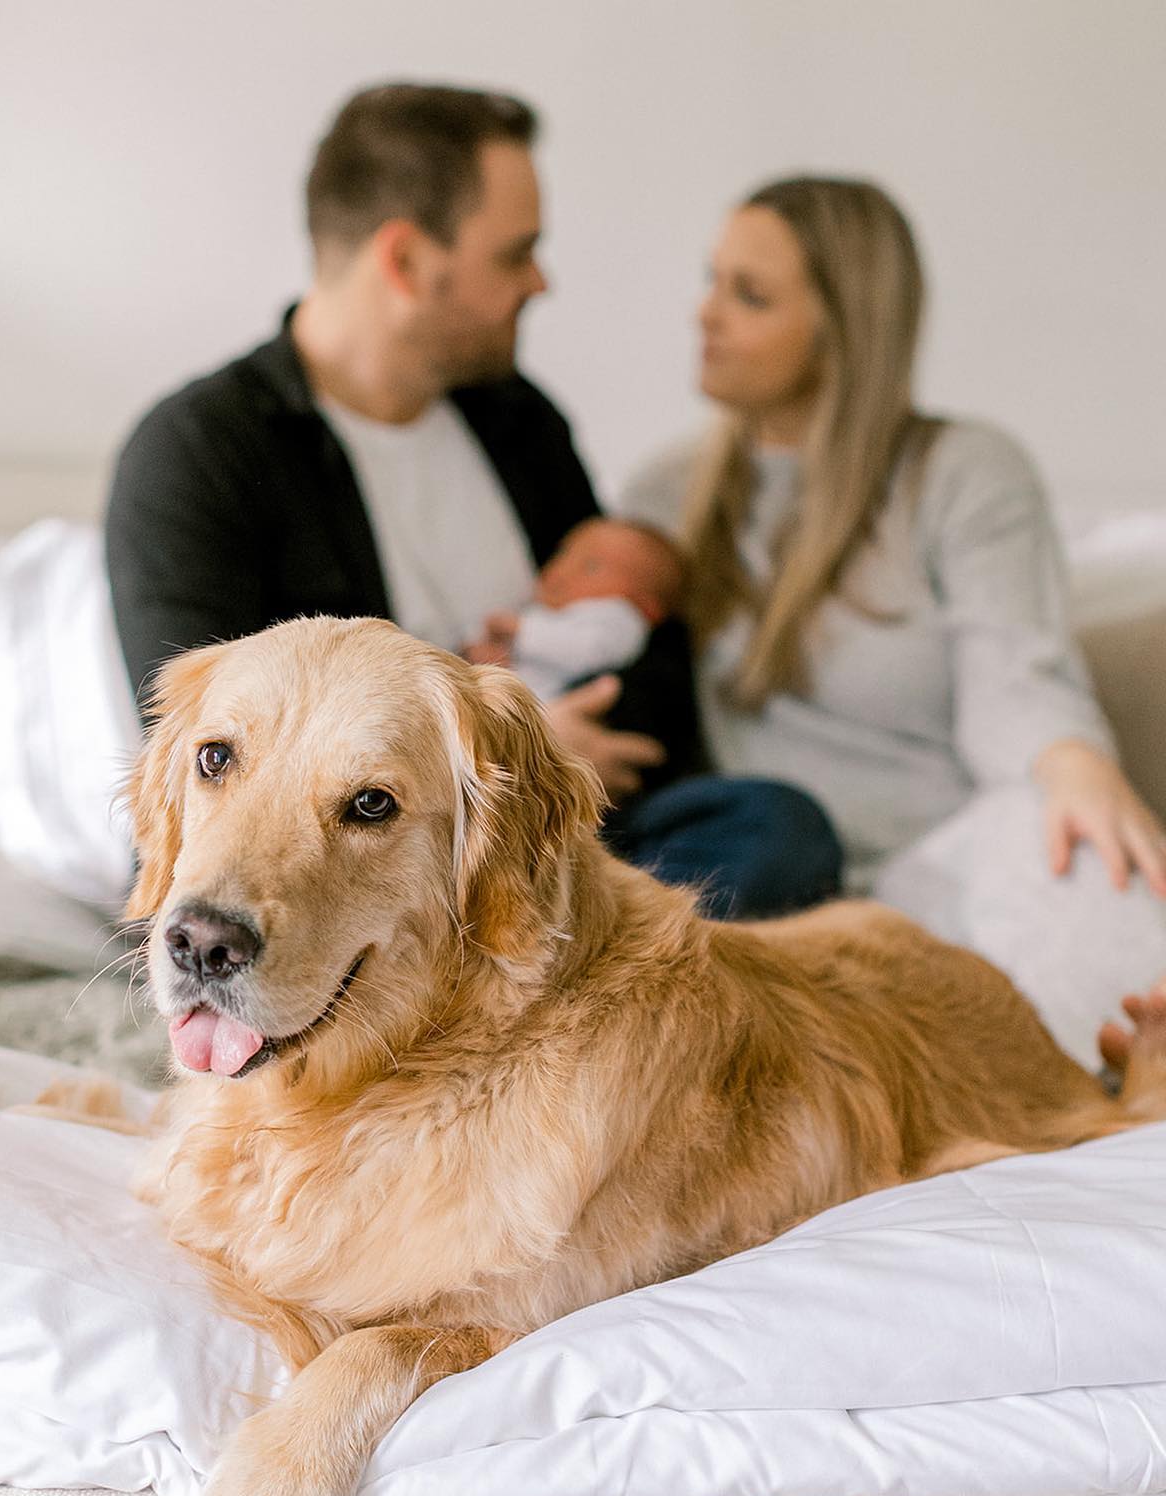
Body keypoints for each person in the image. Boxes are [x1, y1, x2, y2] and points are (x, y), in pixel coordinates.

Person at [106, 83, 842, 919]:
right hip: (345, 866)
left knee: (781, 831)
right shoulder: (201, 450)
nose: (540, 282)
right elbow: (196, 745)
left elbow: (645, 639)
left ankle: (546, 975)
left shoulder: (516, 417)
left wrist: (550, 764)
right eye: (514, 253)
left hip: (551, 834)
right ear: (407, 263)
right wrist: (496, 757)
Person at [623, 173, 1166, 1061]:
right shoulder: (666, 494)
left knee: (1079, 865)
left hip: (951, 855)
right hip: (781, 875)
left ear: (841, 335)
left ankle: (1123, 1085)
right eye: (711, 278)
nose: (703, 314)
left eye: (748, 295)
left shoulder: (964, 471)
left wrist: (1074, 766)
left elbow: (1016, 675)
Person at [466, 516, 685, 701]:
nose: (564, 569)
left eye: (591, 566)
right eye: (563, 553)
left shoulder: (622, 620)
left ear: (646, 607)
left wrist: (521, 631)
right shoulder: (543, 614)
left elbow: (588, 650)